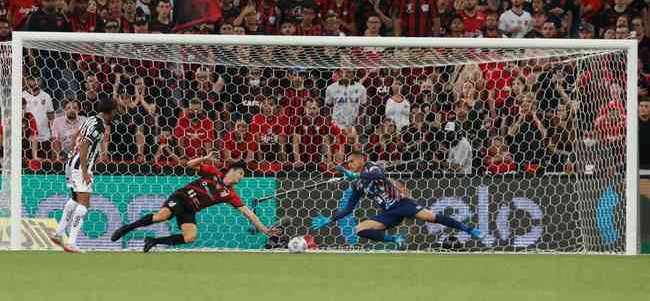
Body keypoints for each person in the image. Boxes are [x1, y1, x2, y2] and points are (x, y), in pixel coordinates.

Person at [311, 148, 482, 247]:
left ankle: (469, 229)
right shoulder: (357, 185)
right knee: (360, 229)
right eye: (348, 164)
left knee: (431, 217)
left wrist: (353, 175)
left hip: (402, 203)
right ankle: (394, 239)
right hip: (388, 213)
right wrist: (330, 219)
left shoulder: (371, 167)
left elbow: (379, 176)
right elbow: (349, 208)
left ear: (361, 160)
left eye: (352, 162)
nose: (349, 165)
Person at [110, 157, 280, 252]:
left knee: (190, 237)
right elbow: (189, 164)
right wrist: (205, 158)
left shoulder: (230, 194)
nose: (241, 178)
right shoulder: (213, 172)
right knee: (162, 216)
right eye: (241, 173)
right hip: (182, 196)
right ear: (233, 170)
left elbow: (248, 213)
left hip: (191, 209)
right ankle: (127, 228)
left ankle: (153, 241)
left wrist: (265, 229)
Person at [49, 98, 118, 253]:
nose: (116, 112)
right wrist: (85, 170)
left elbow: (77, 137)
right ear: (110, 110)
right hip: (80, 165)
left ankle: (59, 233)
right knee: (84, 204)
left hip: (71, 162)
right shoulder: (99, 125)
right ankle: (71, 242)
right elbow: (85, 143)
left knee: (75, 198)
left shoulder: (90, 119)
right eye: (115, 109)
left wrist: (72, 156)